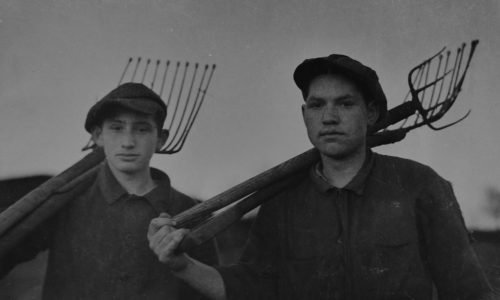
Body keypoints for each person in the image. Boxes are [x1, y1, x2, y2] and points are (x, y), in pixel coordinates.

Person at [148, 55, 497, 300]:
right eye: (317, 105)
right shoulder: (281, 201)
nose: (328, 117)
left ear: (371, 113)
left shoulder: (420, 186)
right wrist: (181, 265)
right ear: (305, 115)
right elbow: (249, 289)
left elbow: (469, 292)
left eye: (345, 104)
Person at [0, 82, 219, 299]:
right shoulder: (65, 201)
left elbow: (208, 290)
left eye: (142, 129)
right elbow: (8, 250)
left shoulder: (189, 211)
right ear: (98, 136)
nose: (128, 142)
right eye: (116, 128)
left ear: (161, 139)